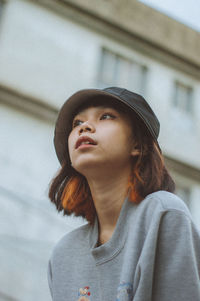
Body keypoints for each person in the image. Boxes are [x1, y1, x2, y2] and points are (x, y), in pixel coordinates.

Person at [47, 87, 200, 301]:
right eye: (77, 123)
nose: (85, 127)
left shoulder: (163, 215)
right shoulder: (63, 254)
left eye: (106, 116)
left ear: (137, 144)